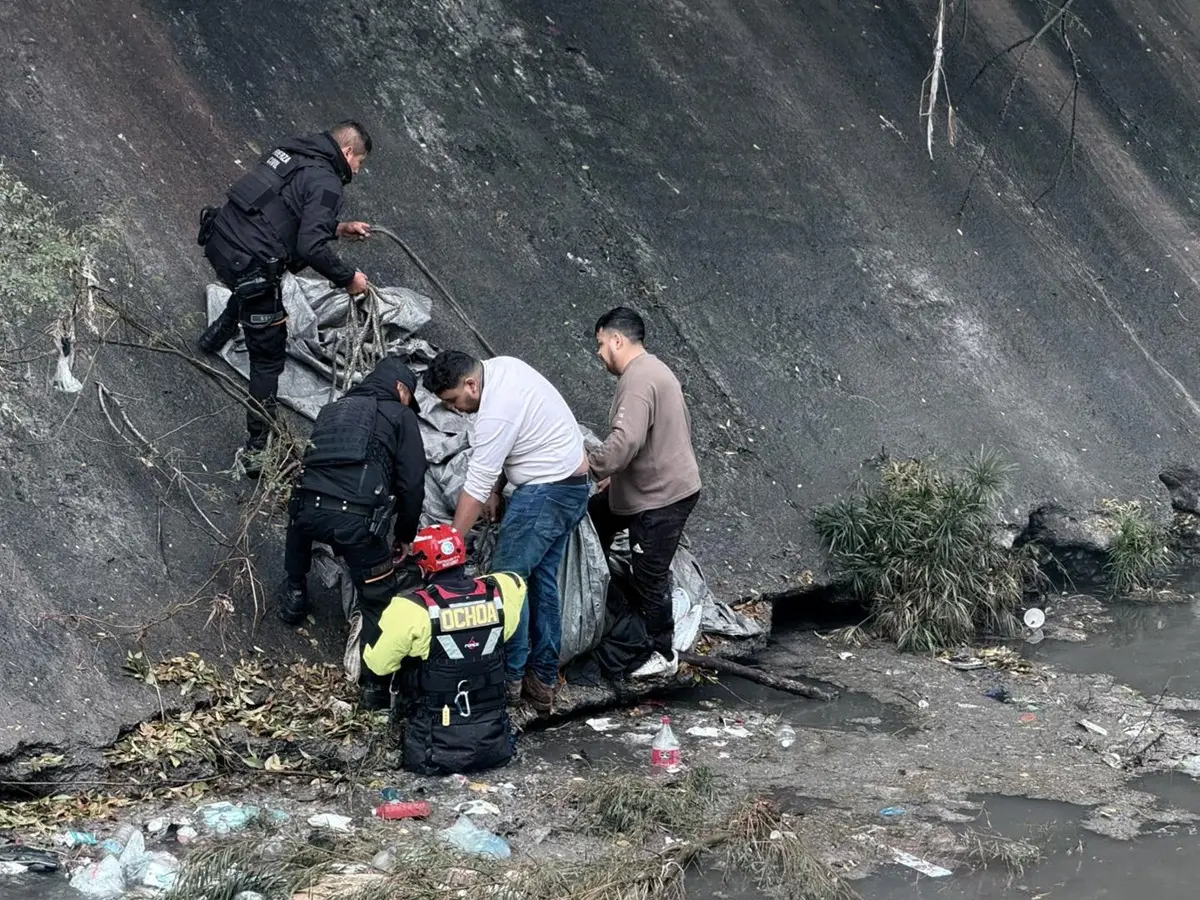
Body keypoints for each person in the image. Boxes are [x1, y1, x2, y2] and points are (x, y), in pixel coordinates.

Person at [195, 120, 375, 474]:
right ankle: (256, 451)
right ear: (348, 152)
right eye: (359, 162)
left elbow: (279, 212)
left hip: (219, 241)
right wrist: (348, 278)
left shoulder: (291, 151)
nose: (357, 170)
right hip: (250, 265)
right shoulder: (328, 183)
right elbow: (310, 247)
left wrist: (338, 228)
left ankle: (216, 334)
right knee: (267, 358)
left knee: (257, 282)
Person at [423, 350, 589, 713]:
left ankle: (510, 680)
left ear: (471, 385)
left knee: (506, 583)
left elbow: (475, 484)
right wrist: (498, 491)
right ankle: (542, 681)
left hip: (546, 492)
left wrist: (451, 544)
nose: (453, 408)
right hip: (571, 487)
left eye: (453, 400)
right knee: (541, 582)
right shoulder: (504, 368)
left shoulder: (495, 411)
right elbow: (508, 447)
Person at [282, 356, 427, 709]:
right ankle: (374, 688)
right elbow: (412, 482)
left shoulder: (333, 409)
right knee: (378, 598)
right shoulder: (401, 415)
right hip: (357, 522)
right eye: (409, 396)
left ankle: (294, 594)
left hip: (307, 509)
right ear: (400, 389)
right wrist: (404, 534)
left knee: (299, 520)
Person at [587, 307, 702, 678]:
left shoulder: (637, 379)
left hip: (662, 497)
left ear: (616, 339)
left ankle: (662, 651)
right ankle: (601, 596)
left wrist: (591, 466)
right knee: (596, 516)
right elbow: (660, 433)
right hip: (646, 485)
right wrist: (616, 476)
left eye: (601, 344)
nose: (600, 353)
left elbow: (625, 441)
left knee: (649, 574)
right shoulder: (655, 370)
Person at [362, 524, 527, 775]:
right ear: (463, 557)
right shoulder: (500, 592)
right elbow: (516, 581)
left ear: (422, 566)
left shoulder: (410, 609)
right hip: (494, 744)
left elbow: (378, 664)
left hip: (433, 750)